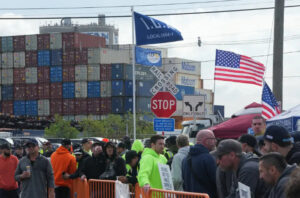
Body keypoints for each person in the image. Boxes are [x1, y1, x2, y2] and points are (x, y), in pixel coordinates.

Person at [182, 130, 217, 197]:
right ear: (206, 141)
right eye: (213, 139)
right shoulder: (208, 158)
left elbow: (184, 182)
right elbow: (215, 181)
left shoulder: (185, 159)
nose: (215, 142)